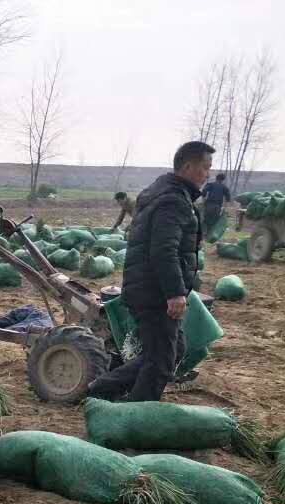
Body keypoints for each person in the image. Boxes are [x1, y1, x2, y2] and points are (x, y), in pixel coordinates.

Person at [87, 141, 213, 404]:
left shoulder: (163, 193)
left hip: (145, 287)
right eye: (205, 167)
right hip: (155, 293)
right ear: (188, 167)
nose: (208, 173)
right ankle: (134, 417)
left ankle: (101, 387)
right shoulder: (173, 201)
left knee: (172, 350)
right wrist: (175, 293)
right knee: (161, 363)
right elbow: (164, 251)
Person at [202, 171, 232, 236]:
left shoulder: (211, 184)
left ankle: (204, 233)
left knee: (205, 219)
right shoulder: (224, 187)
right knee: (214, 220)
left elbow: (204, 191)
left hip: (209, 205)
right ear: (223, 180)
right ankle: (209, 234)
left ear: (216, 178)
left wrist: (203, 198)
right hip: (218, 206)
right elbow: (228, 198)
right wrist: (225, 207)